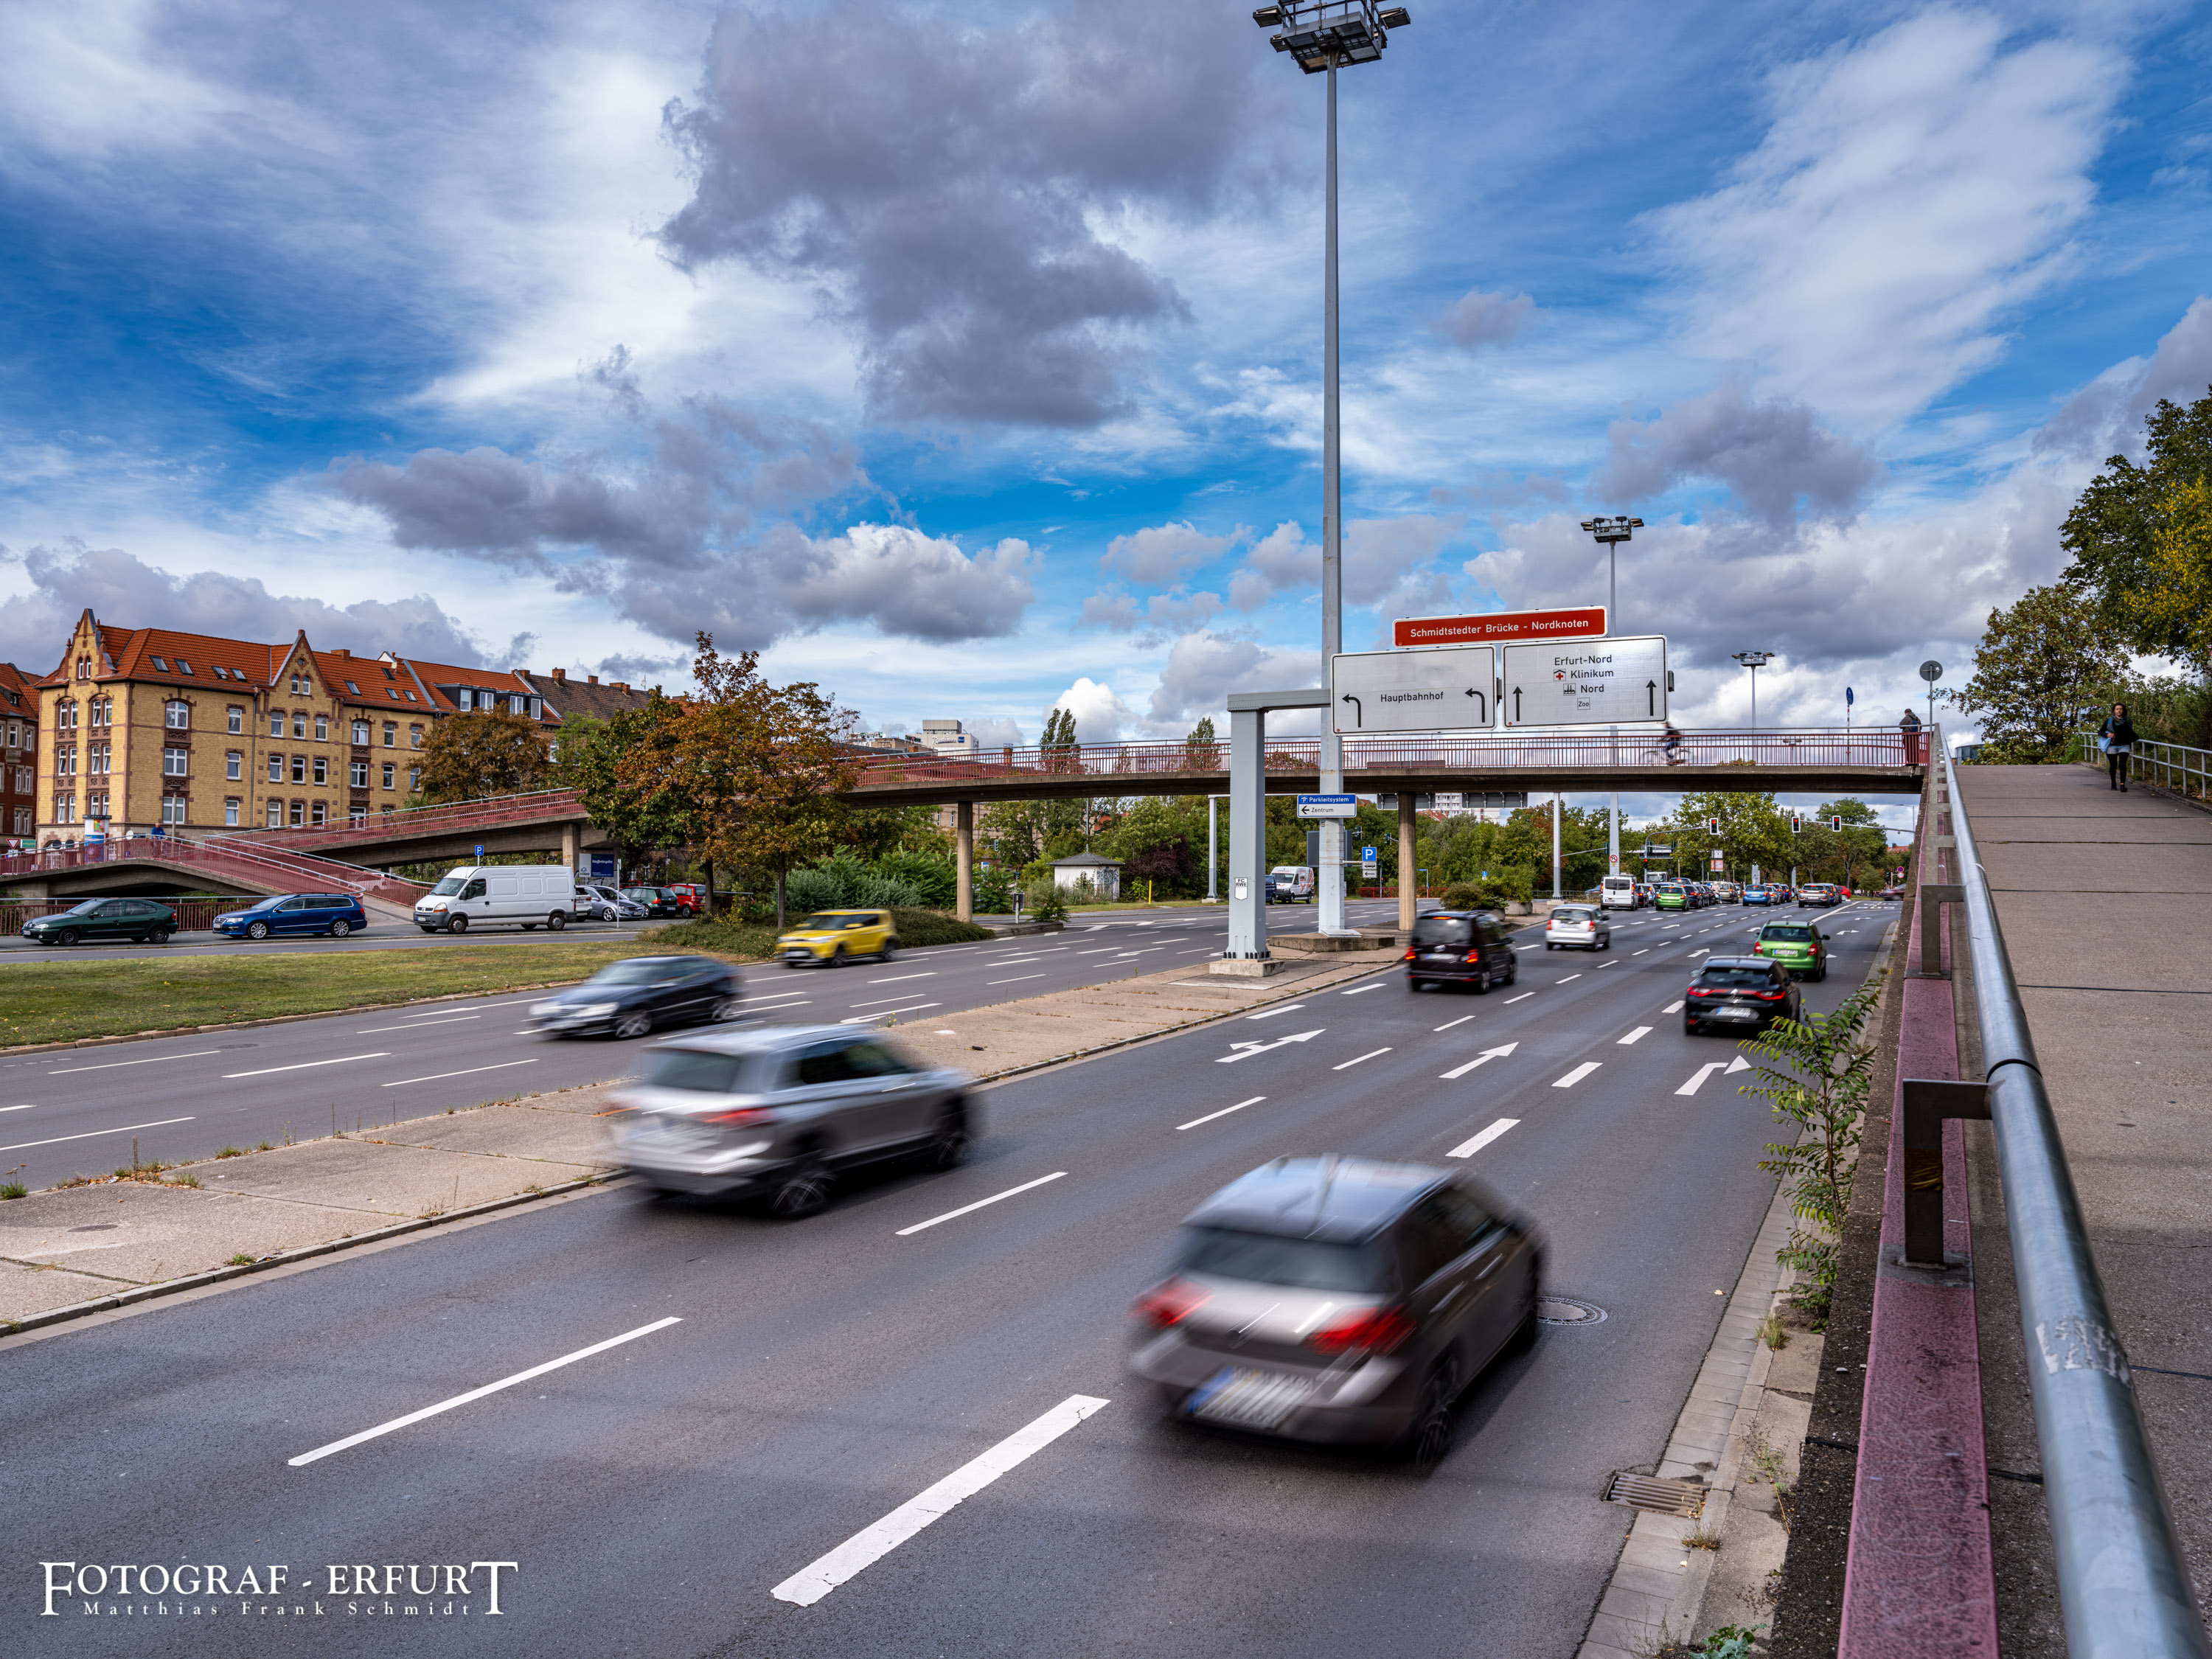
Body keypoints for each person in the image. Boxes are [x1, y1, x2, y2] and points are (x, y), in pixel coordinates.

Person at [2098, 702, 2138, 792]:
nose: (2119, 710)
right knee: (2113, 766)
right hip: (2112, 746)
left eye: (2120, 709)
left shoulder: (2127, 721)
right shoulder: (2109, 721)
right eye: (2117, 709)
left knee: (2122, 764)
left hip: (2124, 745)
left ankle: (2122, 784)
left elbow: (2130, 731)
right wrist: (2107, 735)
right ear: (2114, 711)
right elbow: (2100, 732)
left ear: (2123, 710)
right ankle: (2113, 782)